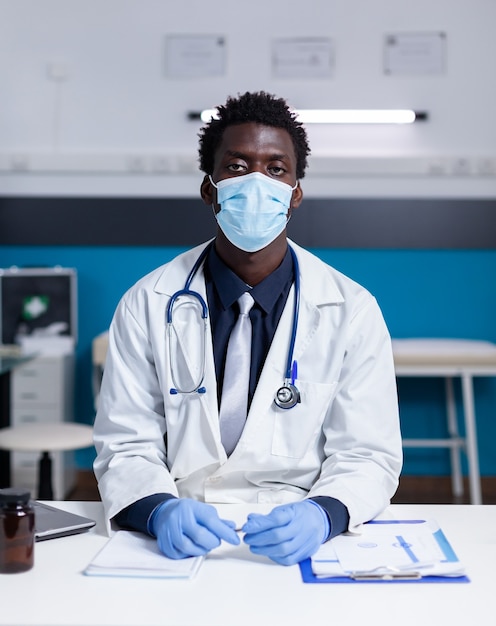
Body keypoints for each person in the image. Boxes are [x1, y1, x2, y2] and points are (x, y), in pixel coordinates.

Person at [93, 91, 402, 566]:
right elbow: (125, 442)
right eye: (237, 166)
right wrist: (157, 512)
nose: (258, 182)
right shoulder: (147, 303)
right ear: (208, 188)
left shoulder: (351, 309)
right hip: (180, 530)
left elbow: (367, 454)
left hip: (299, 534)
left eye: (276, 169)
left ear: (295, 194)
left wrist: (324, 514)